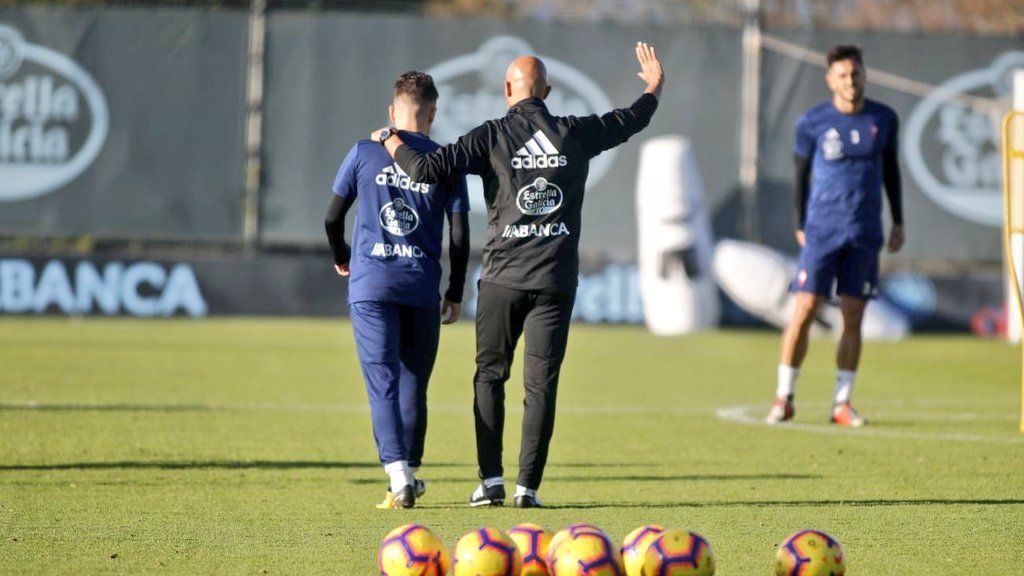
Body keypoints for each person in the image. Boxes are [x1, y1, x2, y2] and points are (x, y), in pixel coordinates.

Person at [371, 42, 664, 508]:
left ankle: (491, 483)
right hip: (555, 283)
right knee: (540, 386)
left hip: (502, 281)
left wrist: (390, 138)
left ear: (508, 90)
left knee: (490, 377)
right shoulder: (573, 131)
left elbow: (425, 170)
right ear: (546, 91)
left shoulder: (490, 136)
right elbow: (632, 120)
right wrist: (653, 87)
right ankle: (528, 489)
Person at [326, 71, 470, 509]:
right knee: (412, 384)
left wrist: (342, 254)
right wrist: (456, 292)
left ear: (393, 112)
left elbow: (332, 218)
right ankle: (408, 473)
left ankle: (399, 476)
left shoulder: (364, 151)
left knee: (382, 383)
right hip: (421, 286)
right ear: (433, 114)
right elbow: (460, 236)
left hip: (371, 284)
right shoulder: (447, 161)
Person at [766, 45, 904, 428]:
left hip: (864, 232)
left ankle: (842, 403)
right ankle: (784, 397)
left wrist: (899, 220)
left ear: (864, 75)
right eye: (842, 75)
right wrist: (799, 222)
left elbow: (891, 170)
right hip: (822, 231)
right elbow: (799, 176)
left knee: (853, 317)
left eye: (855, 73)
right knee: (805, 309)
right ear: (830, 79)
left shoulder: (884, 118)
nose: (850, 80)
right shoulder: (812, 122)